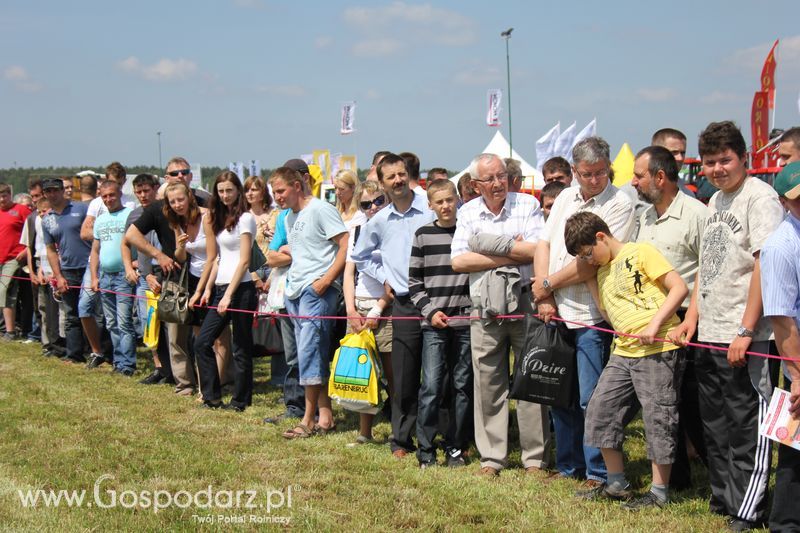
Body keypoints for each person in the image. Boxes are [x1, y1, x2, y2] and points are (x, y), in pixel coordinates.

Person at [668, 121, 784, 531]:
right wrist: (693, 320)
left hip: (746, 337)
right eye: (711, 162)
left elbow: (763, 266)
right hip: (709, 334)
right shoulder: (715, 201)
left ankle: (749, 509)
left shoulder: (760, 198)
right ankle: (725, 498)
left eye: (725, 160)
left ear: (744, 159)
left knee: (746, 422)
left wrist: (747, 329)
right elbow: (705, 267)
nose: (717, 169)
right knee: (715, 424)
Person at [565, 211, 688, 509]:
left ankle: (659, 492)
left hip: (657, 350)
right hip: (624, 351)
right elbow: (609, 315)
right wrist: (591, 278)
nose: (588, 259)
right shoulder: (602, 270)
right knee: (599, 410)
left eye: (587, 253)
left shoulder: (640, 252)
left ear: (601, 237)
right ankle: (616, 482)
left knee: (658, 418)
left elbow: (679, 288)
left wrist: (654, 325)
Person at [533, 137, 634, 490]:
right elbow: (543, 244)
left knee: (593, 398)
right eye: (587, 174)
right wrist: (544, 297)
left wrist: (546, 283)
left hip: (593, 315)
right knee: (560, 393)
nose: (594, 180)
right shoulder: (563, 197)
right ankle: (568, 464)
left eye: (601, 172)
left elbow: (593, 262)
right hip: (557, 312)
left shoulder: (621, 202)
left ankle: (597, 472)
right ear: (574, 171)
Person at [451, 153, 550, 477]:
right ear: (475, 184)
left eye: (502, 176)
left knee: (531, 379)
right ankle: (492, 458)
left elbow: (538, 250)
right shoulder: (466, 212)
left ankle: (534, 458)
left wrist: (487, 248)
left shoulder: (528, 205)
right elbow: (459, 262)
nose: (497, 184)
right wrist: (509, 253)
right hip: (485, 307)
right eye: (490, 179)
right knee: (488, 382)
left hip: (524, 302)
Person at [631, 145, 709, 491]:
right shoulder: (643, 217)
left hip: (687, 321)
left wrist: (689, 320)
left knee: (694, 403)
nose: (632, 182)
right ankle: (677, 481)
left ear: (659, 177)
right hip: (651, 324)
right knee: (663, 402)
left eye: (638, 175)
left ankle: (720, 475)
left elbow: (709, 273)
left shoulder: (696, 215)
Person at [352, 153, 435, 456]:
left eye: (401, 174)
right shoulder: (379, 221)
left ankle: (443, 436)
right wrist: (384, 276)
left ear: (408, 175)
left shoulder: (430, 208)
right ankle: (402, 440)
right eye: (391, 177)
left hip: (438, 299)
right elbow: (359, 257)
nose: (398, 180)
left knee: (440, 374)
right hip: (403, 303)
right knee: (404, 375)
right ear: (383, 183)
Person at [270, 166, 348, 437]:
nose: (277, 196)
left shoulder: (321, 209)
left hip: (315, 290)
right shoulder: (288, 217)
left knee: (309, 352)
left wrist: (327, 280)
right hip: (294, 291)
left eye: (281, 190)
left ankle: (308, 418)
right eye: (274, 192)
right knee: (308, 355)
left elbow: (345, 242)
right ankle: (324, 415)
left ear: (297, 185)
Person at [125, 156, 208, 396]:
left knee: (205, 335)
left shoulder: (204, 201)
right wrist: (158, 256)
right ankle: (185, 384)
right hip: (173, 278)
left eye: (184, 172)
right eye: (174, 173)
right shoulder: (156, 208)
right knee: (175, 336)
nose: (180, 176)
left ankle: (212, 383)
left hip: (203, 274)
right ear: (166, 178)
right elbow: (131, 236)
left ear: (190, 176)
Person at [409, 179, 473, 469]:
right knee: (432, 386)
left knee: (461, 386)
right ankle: (425, 448)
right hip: (433, 324)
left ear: (457, 199)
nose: (446, 206)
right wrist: (430, 311)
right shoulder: (422, 235)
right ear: (430, 205)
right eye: (439, 201)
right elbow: (414, 284)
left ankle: (456, 446)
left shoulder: (468, 232)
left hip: (465, 322)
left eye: (450, 199)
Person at [193, 172, 257, 411]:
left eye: (229, 190)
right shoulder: (217, 219)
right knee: (202, 342)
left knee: (241, 346)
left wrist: (229, 295)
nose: (225, 195)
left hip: (241, 289)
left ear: (238, 191)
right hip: (221, 288)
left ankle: (240, 400)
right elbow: (217, 258)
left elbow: (244, 261)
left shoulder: (246, 218)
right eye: (220, 191)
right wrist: (208, 288)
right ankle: (212, 397)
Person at [163, 181, 232, 393]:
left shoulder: (207, 217)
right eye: (172, 201)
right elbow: (181, 256)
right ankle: (205, 386)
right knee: (198, 336)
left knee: (218, 338)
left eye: (180, 199)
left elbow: (212, 257)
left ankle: (218, 384)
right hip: (193, 279)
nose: (177, 205)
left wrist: (202, 291)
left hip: (215, 278)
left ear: (190, 198)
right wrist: (181, 246)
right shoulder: (177, 221)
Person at [761, 161, 800, 531]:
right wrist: (798, 377)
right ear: (783, 202)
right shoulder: (781, 247)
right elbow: (781, 319)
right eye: (798, 199)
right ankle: (787, 524)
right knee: (796, 452)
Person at [343, 180, 394, 446]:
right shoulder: (356, 228)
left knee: (392, 374)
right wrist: (351, 309)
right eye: (365, 203)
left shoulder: (395, 227)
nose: (372, 207)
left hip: (386, 307)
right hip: (359, 307)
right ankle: (365, 433)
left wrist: (378, 308)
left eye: (378, 201)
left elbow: (396, 278)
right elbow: (349, 273)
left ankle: (399, 431)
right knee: (362, 375)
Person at [82, 162, 136, 369]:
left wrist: (133, 265)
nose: (108, 200)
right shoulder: (101, 220)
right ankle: (118, 360)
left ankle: (127, 364)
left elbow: (136, 243)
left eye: (112, 195)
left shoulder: (128, 215)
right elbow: (95, 250)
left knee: (124, 322)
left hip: (123, 275)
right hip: (105, 275)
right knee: (111, 322)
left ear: (119, 194)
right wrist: (95, 277)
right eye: (104, 197)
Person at [41, 178, 91, 363]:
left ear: (63, 191)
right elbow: (51, 250)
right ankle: (75, 354)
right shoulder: (47, 220)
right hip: (68, 270)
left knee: (94, 312)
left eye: (55, 190)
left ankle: (102, 353)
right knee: (71, 314)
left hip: (88, 267)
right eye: (48, 192)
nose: (52, 194)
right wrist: (58, 276)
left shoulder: (81, 209)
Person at [0, 182, 31, 340]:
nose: (1, 199)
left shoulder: (21, 210)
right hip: (1, 257)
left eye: (4, 195)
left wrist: (26, 250)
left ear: (9, 195)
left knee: (5, 291)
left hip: (15, 257)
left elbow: (34, 231)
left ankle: (10, 331)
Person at [651, 128, 696, 198]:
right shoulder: (635, 193)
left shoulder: (688, 195)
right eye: (674, 152)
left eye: (683, 153)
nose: (680, 158)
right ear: (656, 153)